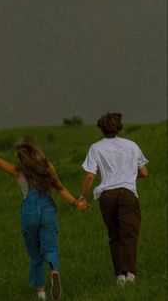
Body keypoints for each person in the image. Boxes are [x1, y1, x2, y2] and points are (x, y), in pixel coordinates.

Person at [0, 136, 88, 300]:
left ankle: (41, 292)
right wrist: (76, 203)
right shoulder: (48, 168)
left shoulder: (18, 172)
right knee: (50, 247)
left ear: (21, 158)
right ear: (37, 153)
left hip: (29, 212)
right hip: (47, 210)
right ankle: (54, 271)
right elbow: (60, 188)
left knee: (35, 253)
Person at [80, 113, 148, 285]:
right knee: (129, 234)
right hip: (127, 193)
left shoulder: (95, 148)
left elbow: (89, 176)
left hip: (107, 195)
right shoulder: (132, 145)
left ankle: (119, 276)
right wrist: (128, 174)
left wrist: (82, 196)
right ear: (119, 127)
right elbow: (144, 172)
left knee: (115, 234)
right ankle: (131, 274)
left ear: (101, 129)